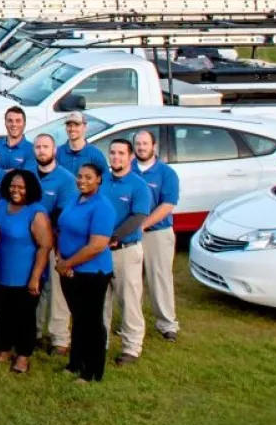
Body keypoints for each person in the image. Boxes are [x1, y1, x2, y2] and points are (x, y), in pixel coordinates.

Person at [52, 164, 116, 383]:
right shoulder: (75, 199)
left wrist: (68, 263)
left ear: (99, 179)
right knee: (78, 319)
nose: (82, 180)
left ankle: (92, 371)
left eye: (88, 177)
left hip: (92, 273)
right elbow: (61, 229)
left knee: (91, 322)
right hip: (69, 270)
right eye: (79, 176)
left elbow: (97, 245)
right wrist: (61, 260)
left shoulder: (102, 207)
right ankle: (75, 363)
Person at [99, 139, 155, 367]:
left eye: (121, 153)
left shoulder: (138, 185)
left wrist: (114, 237)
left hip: (125, 250)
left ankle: (132, 347)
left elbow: (139, 217)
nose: (116, 157)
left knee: (128, 299)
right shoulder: (103, 182)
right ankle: (99, 342)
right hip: (100, 251)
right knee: (101, 301)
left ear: (130, 156)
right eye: (112, 153)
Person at [0, 169, 52, 375]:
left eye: (21, 187)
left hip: (26, 275)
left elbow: (45, 246)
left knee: (24, 317)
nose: (16, 190)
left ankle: (23, 356)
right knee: (2, 314)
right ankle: (5, 349)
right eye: (13, 186)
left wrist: (35, 277)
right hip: (2, 273)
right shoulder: (1, 206)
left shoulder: (36, 212)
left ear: (30, 189)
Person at [132, 129, 182, 345]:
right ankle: (132, 322)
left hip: (157, 233)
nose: (141, 147)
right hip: (130, 234)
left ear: (154, 146)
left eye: (145, 143)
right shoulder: (127, 169)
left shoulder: (166, 173)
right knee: (131, 281)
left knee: (159, 278)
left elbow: (167, 205)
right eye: (138, 144)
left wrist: (141, 225)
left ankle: (167, 324)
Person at [34, 133, 82, 354]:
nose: (41, 151)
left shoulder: (66, 179)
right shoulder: (28, 175)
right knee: (34, 288)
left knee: (57, 290)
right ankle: (32, 332)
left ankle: (59, 338)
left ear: (54, 151)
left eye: (46, 147)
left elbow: (61, 215)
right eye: (38, 147)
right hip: (30, 244)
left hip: (55, 242)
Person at [54, 113, 109, 179]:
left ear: (85, 127)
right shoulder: (57, 153)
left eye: (76, 125)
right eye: (69, 125)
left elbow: (106, 180)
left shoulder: (95, 154)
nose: (72, 129)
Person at [0, 106, 35, 172]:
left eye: (18, 121)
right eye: (10, 121)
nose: (14, 124)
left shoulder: (32, 150)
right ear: (5, 123)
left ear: (24, 123)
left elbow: (25, 176)